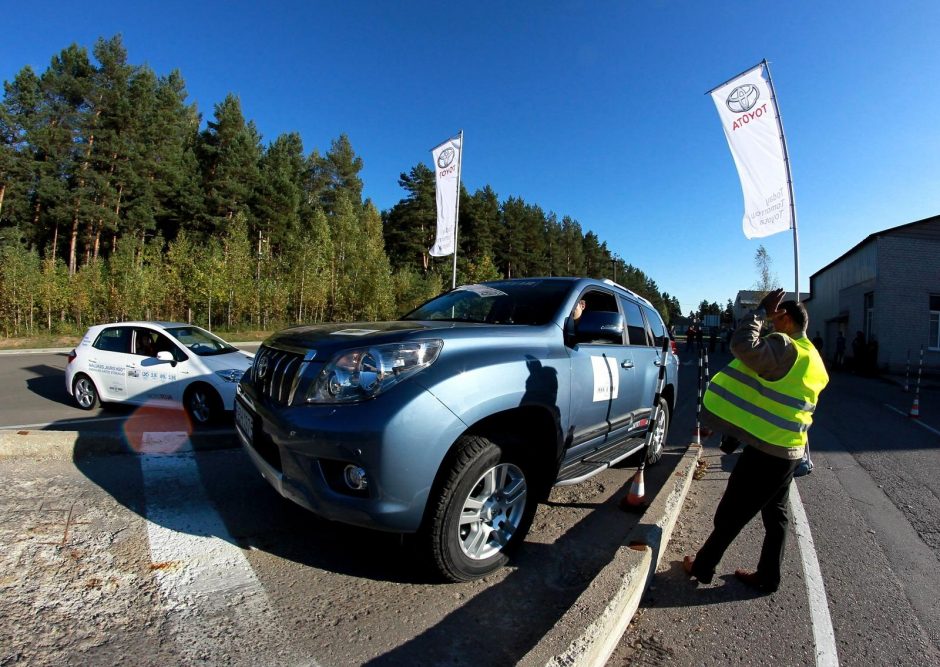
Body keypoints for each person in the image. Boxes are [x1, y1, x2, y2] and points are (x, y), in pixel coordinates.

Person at [682, 288, 829, 593]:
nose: (771, 326)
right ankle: (768, 577)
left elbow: (742, 345)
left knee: (732, 512)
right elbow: (766, 401)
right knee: (777, 515)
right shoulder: (811, 356)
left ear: (785, 319)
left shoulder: (784, 346)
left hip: (768, 452)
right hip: (790, 451)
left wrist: (759, 312)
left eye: (775, 320)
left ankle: (702, 566)